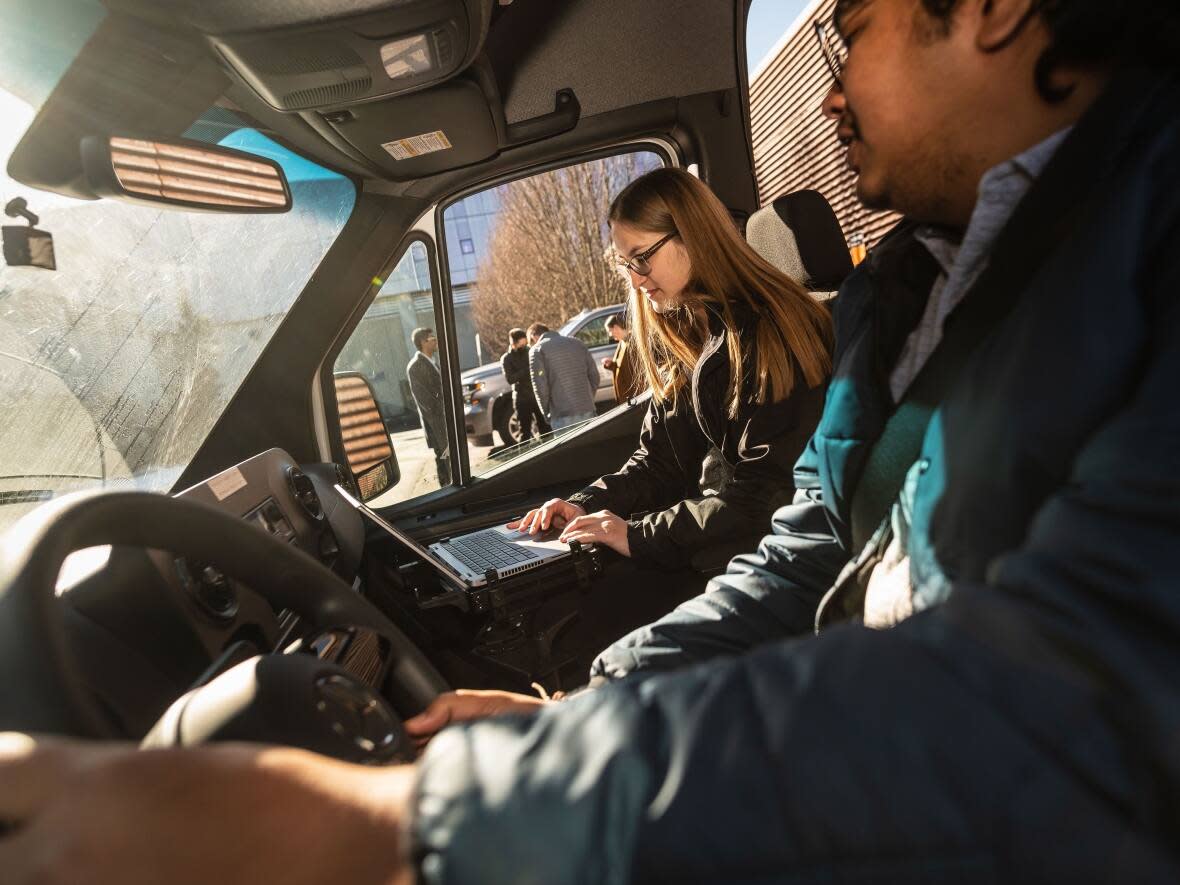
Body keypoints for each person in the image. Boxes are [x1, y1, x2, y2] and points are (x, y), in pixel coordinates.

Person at [6, 1, 1180, 882]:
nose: (826, 96)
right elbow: (808, 550)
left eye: (848, 38)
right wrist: (591, 705)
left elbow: (1093, 703)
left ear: (989, 9)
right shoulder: (911, 298)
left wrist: (394, 824)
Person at [512, 167, 833, 568]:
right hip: (723, 539)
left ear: (694, 238)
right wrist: (586, 505)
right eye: (623, 262)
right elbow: (662, 461)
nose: (633, 280)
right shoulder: (686, 331)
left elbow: (766, 496)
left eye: (642, 258)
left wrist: (637, 534)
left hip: (774, 554)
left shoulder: (771, 335)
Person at [525, 321, 599, 431]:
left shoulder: (537, 350)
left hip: (561, 414)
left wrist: (546, 412)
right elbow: (594, 377)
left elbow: (541, 388)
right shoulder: (577, 343)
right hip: (587, 408)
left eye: (530, 342)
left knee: (571, 448)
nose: (531, 345)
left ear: (533, 336)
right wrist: (587, 398)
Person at [405, 327, 449, 486]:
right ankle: (447, 497)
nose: (436, 341)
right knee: (444, 463)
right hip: (437, 427)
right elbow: (426, 403)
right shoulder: (415, 366)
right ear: (423, 342)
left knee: (450, 463)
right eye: (433, 339)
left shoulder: (433, 363)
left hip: (445, 424)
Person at [499, 327, 549, 441]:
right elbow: (510, 379)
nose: (524, 344)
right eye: (521, 342)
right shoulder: (507, 359)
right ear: (514, 343)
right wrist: (527, 370)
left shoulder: (530, 351)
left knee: (545, 426)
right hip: (521, 397)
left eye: (525, 341)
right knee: (524, 431)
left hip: (535, 393)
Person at [600, 313, 643, 404]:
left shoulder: (633, 342)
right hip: (627, 397)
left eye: (610, 331)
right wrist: (611, 364)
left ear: (616, 327)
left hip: (636, 397)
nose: (610, 335)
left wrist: (638, 398)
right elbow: (621, 367)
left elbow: (638, 372)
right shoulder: (622, 342)